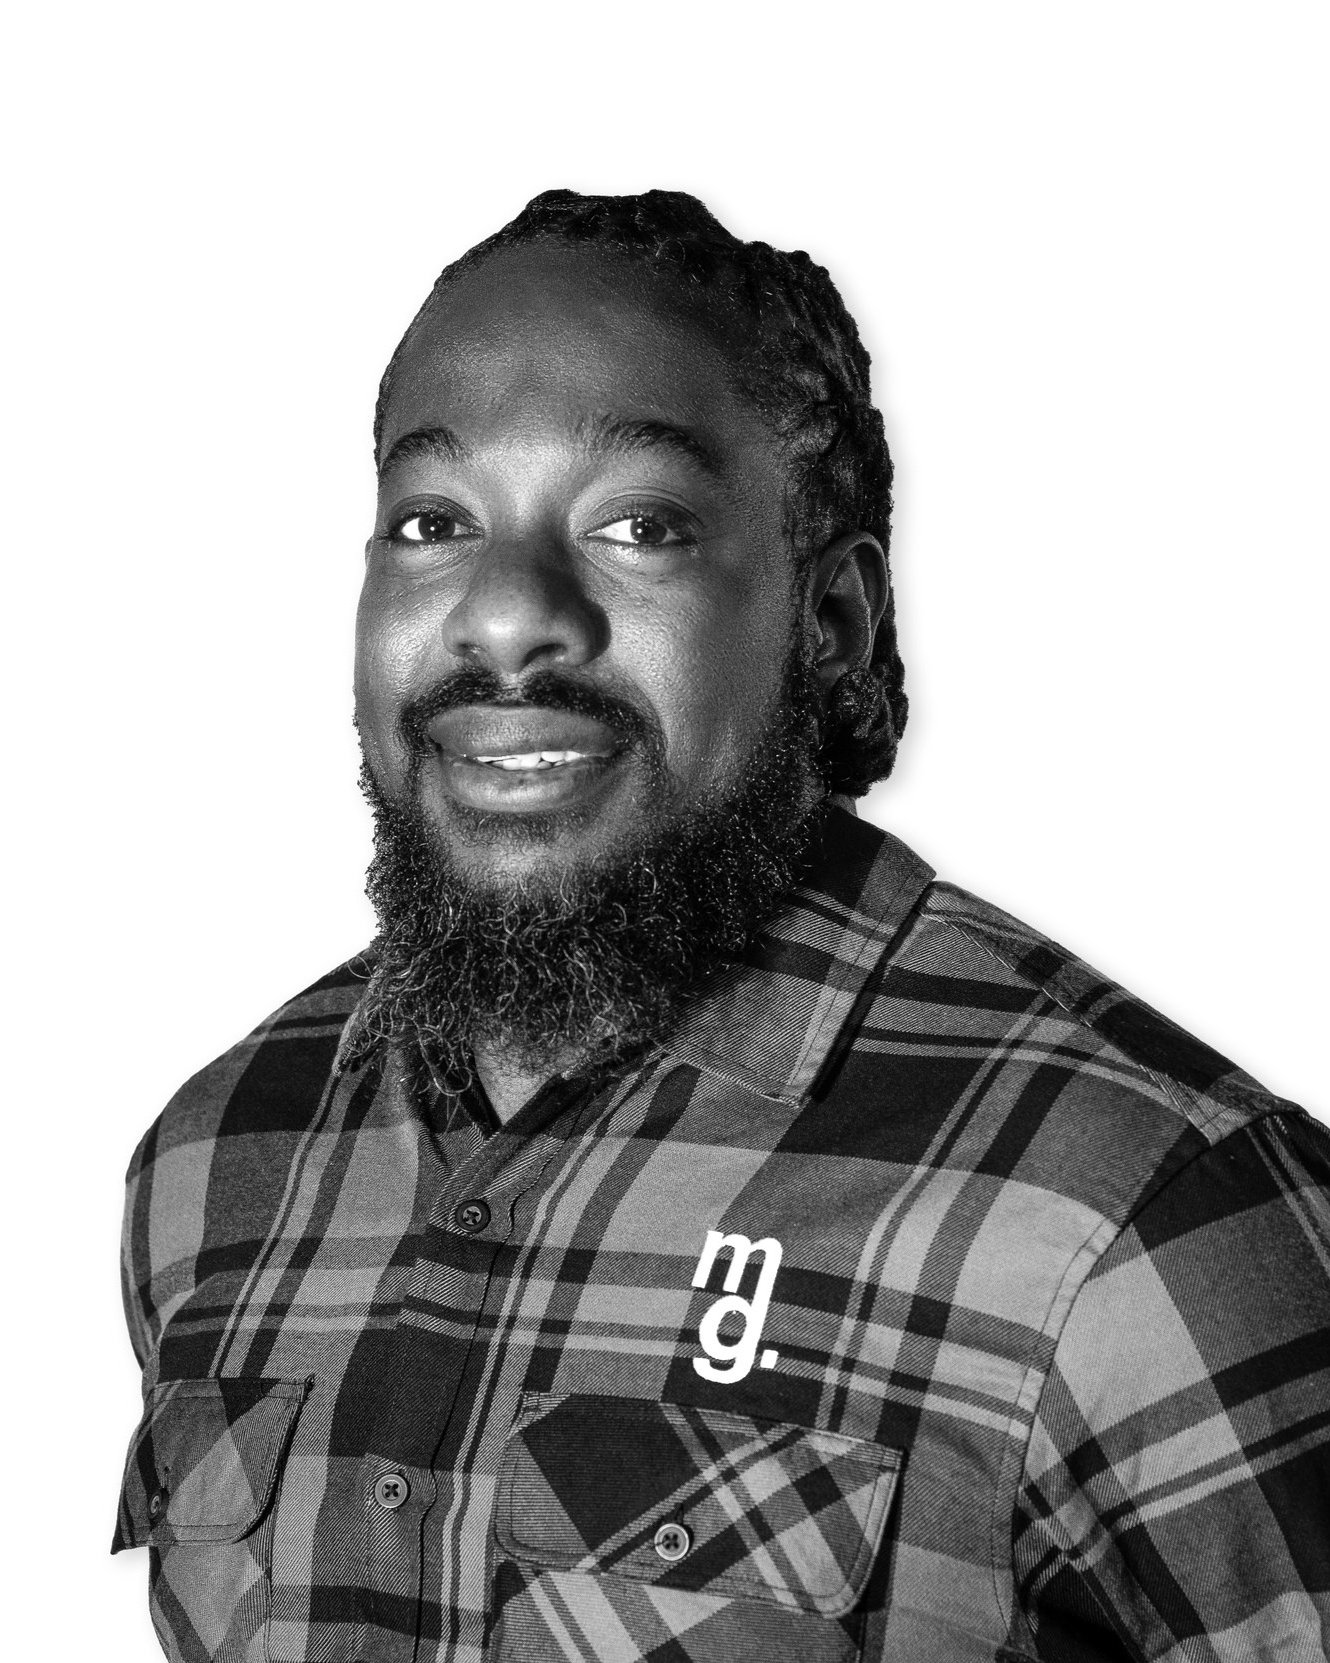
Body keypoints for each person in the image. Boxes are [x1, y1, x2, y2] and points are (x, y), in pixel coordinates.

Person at [113, 191, 1330, 1663]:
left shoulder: (1141, 1207)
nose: (506, 616)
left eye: (639, 525)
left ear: (830, 620)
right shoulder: (218, 1158)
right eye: (433, 523)